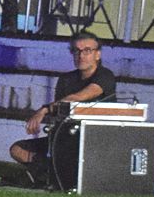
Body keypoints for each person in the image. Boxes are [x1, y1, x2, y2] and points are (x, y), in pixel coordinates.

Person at [12, 33, 117, 178]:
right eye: (76, 51)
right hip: (66, 137)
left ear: (97, 55)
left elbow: (77, 97)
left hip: (95, 139)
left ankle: (54, 174)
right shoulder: (66, 79)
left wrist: (43, 110)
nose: (81, 56)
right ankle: (49, 173)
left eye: (87, 51)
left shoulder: (105, 76)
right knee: (17, 149)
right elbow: (59, 111)